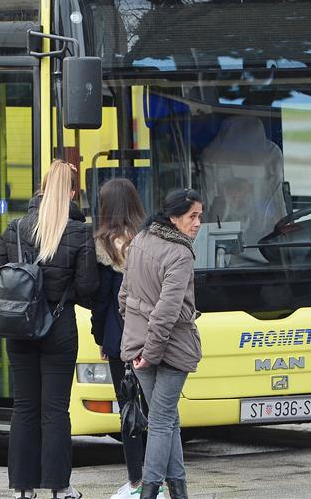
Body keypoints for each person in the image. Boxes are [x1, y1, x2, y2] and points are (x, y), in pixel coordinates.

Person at [0, 160, 99, 499]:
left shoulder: (16, 227)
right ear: (71, 192)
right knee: (55, 410)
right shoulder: (80, 232)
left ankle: (23, 488)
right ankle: (59, 486)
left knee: (24, 406)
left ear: (41, 186)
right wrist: (61, 294)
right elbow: (88, 286)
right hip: (59, 327)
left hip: (19, 328)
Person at [120, 188, 204, 499]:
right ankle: (150, 491)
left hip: (139, 345)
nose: (197, 223)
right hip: (168, 348)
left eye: (200, 217)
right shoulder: (180, 253)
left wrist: (137, 341)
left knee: (167, 419)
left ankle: (179, 490)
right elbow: (167, 311)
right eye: (192, 216)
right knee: (162, 420)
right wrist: (151, 354)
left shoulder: (140, 240)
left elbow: (124, 296)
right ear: (173, 217)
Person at [89, 178, 148, 499]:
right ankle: (162, 477)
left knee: (128, 410)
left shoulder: (103, 245)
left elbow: (101, 303)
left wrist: (101, 337)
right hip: (153, 337)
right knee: (157, 411)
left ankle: (137, 481)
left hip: (119, 340)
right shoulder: (148, 240)